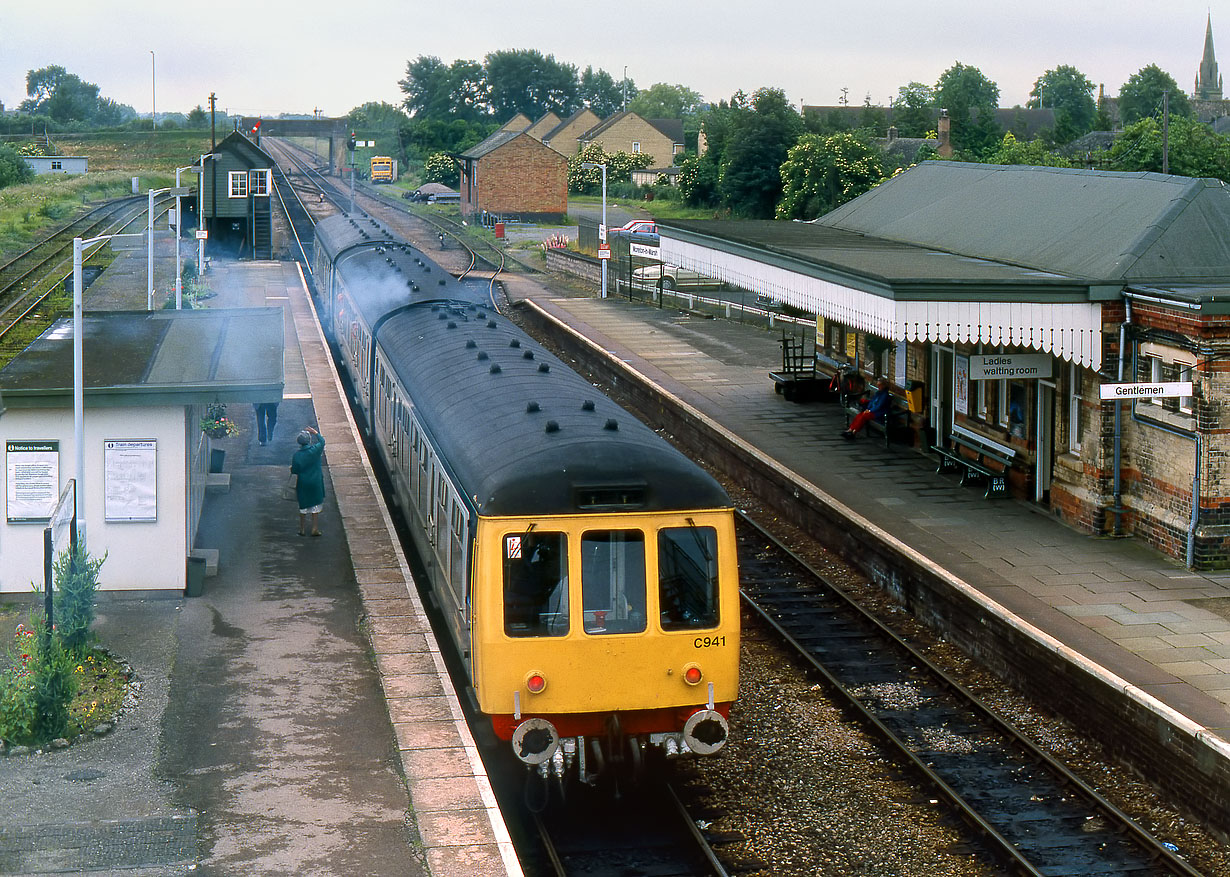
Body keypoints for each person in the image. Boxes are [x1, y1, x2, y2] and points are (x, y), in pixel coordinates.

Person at [291, 427, 326, 536]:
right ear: (309, 440)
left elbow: (295, 470)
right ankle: (314, 528)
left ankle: (302, 529)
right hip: (316, 482)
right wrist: (315, 432)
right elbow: (322, 441)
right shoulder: (315, 450)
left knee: (303, 506)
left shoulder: (297, 455)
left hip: (303, 483)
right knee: (315, 505)